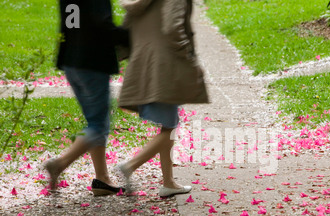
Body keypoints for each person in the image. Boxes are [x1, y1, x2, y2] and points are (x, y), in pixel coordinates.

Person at [117, 0, 209, 197]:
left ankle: (169, 182)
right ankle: (130, 166)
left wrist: (124, 55)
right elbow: (172, 28)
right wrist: (188, 56)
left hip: (144, 62)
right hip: (165, 64)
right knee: (169, 129)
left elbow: (127, 27)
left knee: (168, 126)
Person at [44, 0, 130, 196]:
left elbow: (72, 23)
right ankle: (59, 164)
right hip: (91, 62)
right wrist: (131, 36)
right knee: (98, 125)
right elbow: (102, 24)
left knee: (94, 122)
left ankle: (102, 178)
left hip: (71, 60)